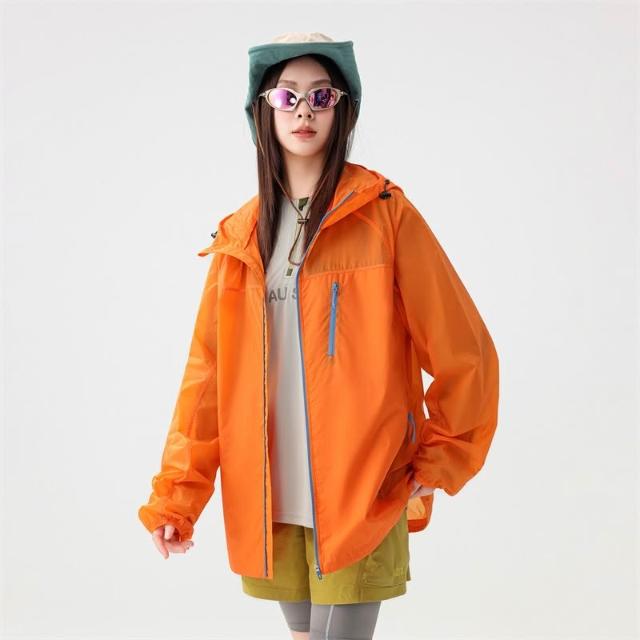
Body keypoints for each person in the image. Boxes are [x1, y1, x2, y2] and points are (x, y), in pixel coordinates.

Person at [138, 31, 500, 640]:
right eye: (287, 96)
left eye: (321, 95)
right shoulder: (240, 236)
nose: (304, 110)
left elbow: (465, 349)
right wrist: (177, 497)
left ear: (342, 109)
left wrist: (439, 455)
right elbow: (206, 383)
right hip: (272, 499)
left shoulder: (384, 213)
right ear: (263, 110)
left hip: (365, 492)